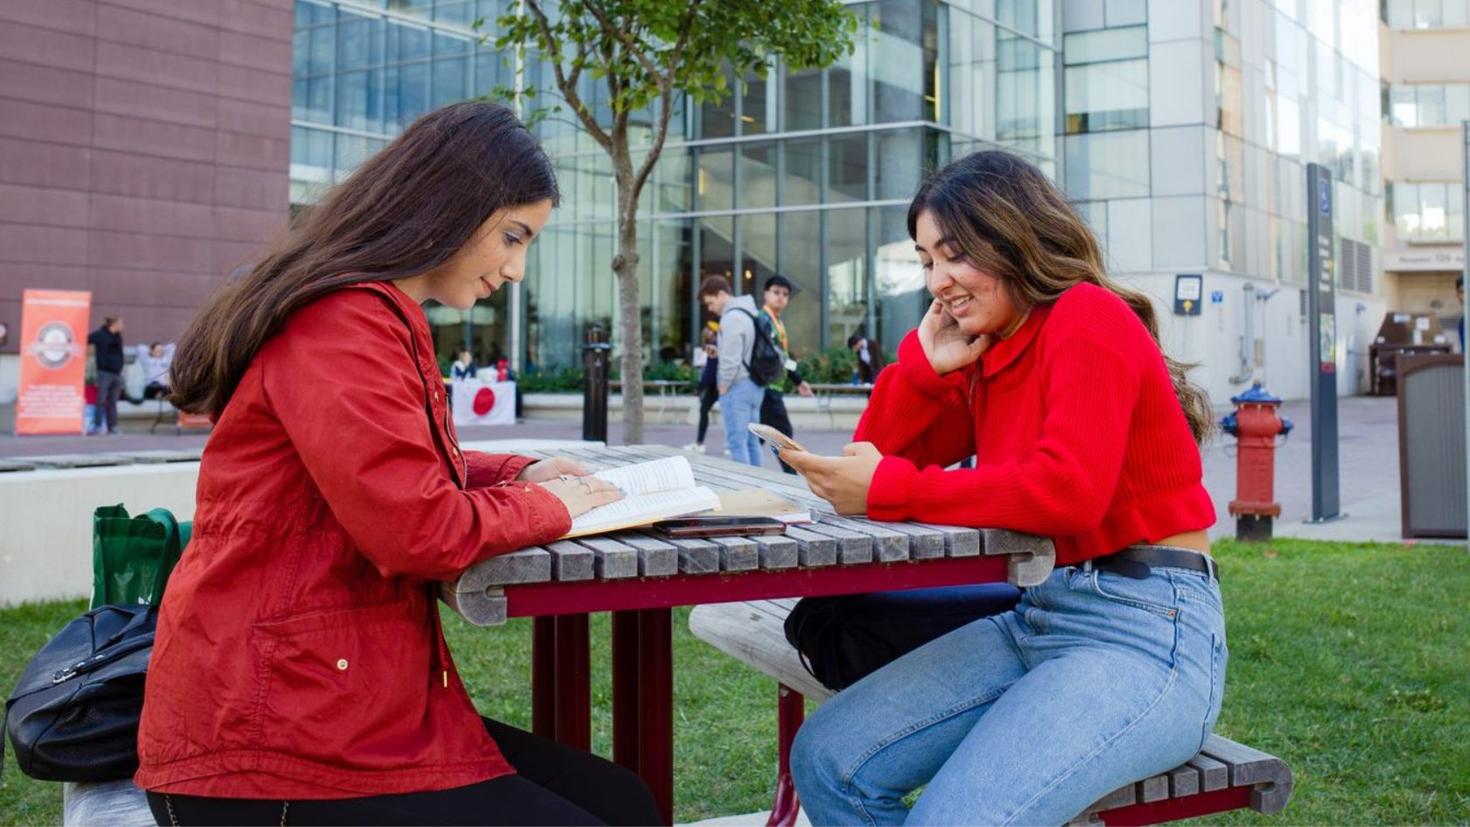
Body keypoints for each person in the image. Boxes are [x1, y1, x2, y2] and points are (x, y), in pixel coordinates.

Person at [138, 102, 658, 826]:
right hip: (269, 744)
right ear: (450, 206)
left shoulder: (371, 310)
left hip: (338, 703)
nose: (515, 270)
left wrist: (522, 470)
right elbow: (421, 529)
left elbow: (382, 464)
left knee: (621, 800)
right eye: (513, 237)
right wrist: (571, 502)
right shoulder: (343, 320)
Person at [782, 150, 1222, 826]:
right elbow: (872, 456)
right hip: (1040, 613)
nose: (938, 281)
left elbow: (1065, 492)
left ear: (1010, 237)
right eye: (926, 260)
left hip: (1146, 631)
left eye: (954, 254)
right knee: (828, 759)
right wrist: (926, 370)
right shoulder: (991, 350)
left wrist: (889, 488)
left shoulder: (1088, 317)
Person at [699, 275, 764, 466]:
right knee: (752, 441)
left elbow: (732, 359)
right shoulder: (748, 312)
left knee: (737, 443)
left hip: (738, 386)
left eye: (710, 303)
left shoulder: (731, 317)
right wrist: (720, 351)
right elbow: (743, 351)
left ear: (720, 295)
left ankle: (744, 490)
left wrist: (723, 386)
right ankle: (758, 486)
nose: (710, 309)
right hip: (754, 384)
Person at [758, 275, 814, 473]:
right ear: (765, 294)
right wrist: (797, 379)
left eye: (785, 294)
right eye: (776, 292)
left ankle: (746, 468)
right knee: (782, 434)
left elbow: (783, 356)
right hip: (767, 388)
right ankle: (790, 476)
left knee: (761, 436)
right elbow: (772, 356)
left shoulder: (777, 322)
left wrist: (798, 380)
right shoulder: (763, 320)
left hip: (771, 388)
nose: (781, 297)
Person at [683, 325, 719, 453]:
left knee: (704, 410)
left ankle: (700, 443)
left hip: (717, 385)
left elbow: (710, 370)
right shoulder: (714, 345)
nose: (706, 332)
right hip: (717, 385)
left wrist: (700, 387)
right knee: (705, 410)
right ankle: (700, 442)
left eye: (708, 330)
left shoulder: (713, 346)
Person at [87, 316, 125, 435]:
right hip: (104, 372)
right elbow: (86, 339)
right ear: (113, 324)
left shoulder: (118, 336)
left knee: (113, 401)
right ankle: (97, 426)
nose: (122, 325)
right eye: (120, 323)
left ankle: (113, 426)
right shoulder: (100, 334)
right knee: (101, 400)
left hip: (117, 373)